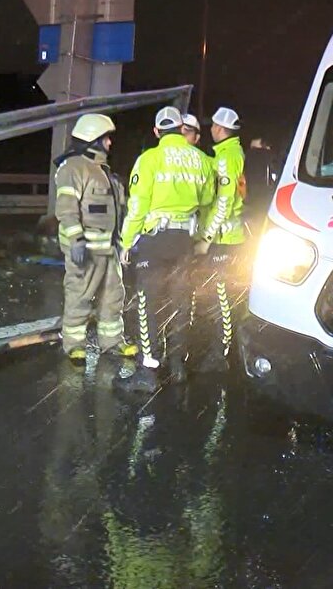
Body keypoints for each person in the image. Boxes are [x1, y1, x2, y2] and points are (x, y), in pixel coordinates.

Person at [117, 106, 215, 393]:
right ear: (181, 129)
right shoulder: (201, 159)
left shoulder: (149, 159)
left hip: (155, 241)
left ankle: (147, 372)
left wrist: (126, 241)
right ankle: (177, 365)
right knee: (180, 301)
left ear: (157, 131)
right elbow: (208, 198)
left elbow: (137, 206)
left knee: (147, 303)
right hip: (184, 240)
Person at [54, 114, 139, 365]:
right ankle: (74, 345)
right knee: (79, 296)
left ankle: (112, 342)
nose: (110, 143)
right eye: (106, 138)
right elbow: (66, 208)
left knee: (113, 297)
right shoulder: (73, 168)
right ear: (92, 139)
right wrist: (76, 240)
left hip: (109, 249)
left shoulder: (104, 171)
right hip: (86, 248)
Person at [190, 106, 247, 370]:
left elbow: (223, 203)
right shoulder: (229, 153)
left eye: (212, 126)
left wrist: (206, 238)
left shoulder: (226, 158)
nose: (209, 130)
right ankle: (223, 349)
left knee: (223, 296)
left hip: (224, 239)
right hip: (230, 238)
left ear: (220, 129)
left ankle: (221, 354)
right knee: (223, 294)